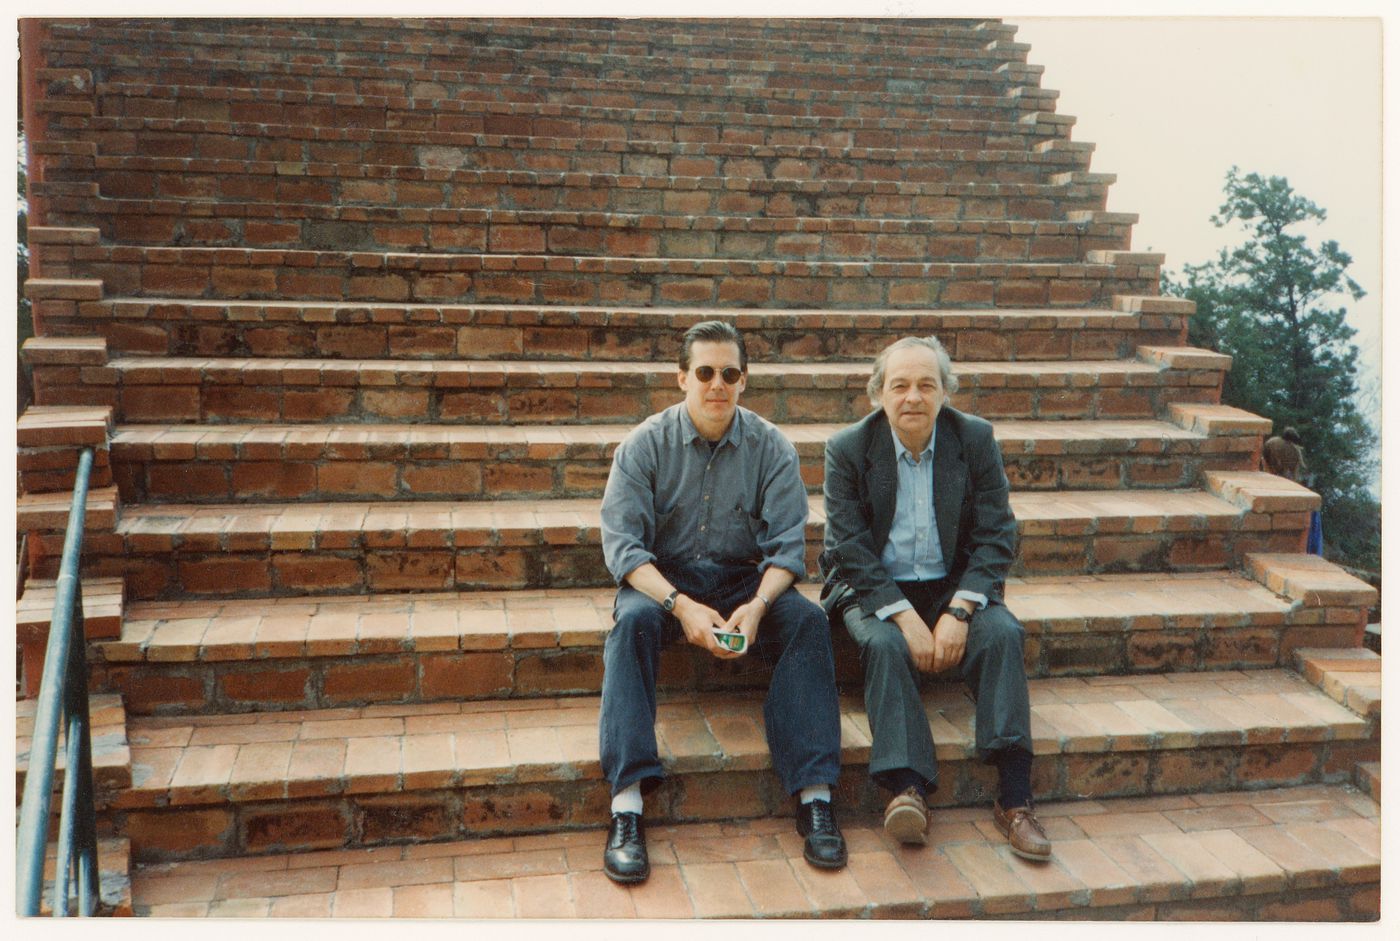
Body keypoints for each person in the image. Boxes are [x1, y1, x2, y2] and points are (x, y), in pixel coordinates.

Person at [596, 320, 846, 884]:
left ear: (744, 380)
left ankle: (814, 795)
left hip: (742, 582)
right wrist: (680, 604)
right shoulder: (643, 446)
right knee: (630, 624)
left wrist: (758, 606)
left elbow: (787, 549)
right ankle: (627, 804)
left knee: (807, 621)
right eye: (704, 372)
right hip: (664, 581)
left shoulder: (771, 447)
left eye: (729, 373)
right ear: (681, 377)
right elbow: (624, 551)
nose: (717, 385)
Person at [819, 336, 1050, 860]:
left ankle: (1015, 799)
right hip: (873, 586)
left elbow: (997, 536)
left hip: (952, 584)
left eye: (927, 384)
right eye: (899, 385)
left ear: (946, 392)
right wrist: (902, 616)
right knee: (884, 646)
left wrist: (960, 610)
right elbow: (848, 548)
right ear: (878, 393)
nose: (913, 398)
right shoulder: (848, 448)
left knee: (1003, 634)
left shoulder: (974, 439)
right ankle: (907, 789)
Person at [1262, 426, 1323, 554]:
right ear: (1295, 465)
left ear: (1265, 463)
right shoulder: (1308, 504)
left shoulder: (1261, 500)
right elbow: (1314, 549)